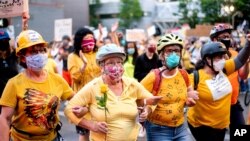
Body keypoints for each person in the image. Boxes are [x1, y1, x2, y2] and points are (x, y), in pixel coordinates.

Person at [64, 44, 162, 141]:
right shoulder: (93, 87)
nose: (116, 67)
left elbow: (153, 101)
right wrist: (92, 126)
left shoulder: (132, 84)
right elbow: (69, 110)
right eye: (111, 63)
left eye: (119, 62)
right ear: (102, 67)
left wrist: (147, 110)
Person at [0, 29, 74, 141]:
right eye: (34, 52)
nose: (39, 55)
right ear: (23, 56)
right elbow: (5, 119)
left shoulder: (57, 79)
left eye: (42, 50)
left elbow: (76, 100)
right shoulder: (14, 84)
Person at [187, 39, 250, 141]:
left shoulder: (223, 69)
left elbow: (239, 60)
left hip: (221, 125)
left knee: (241, 133)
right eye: (219, 57)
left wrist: (248, 43)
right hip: (202, 127)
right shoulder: (195, 77)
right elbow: (178, 92)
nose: (223, 60)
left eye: (223, 56)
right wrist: (187, 95)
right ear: (207, 59)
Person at [140, 34, 198, 141]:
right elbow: (137, 95)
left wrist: (190, 99)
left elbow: (189, 91)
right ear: (161, 55)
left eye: (177, 51)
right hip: (158, 130)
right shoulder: (153, 76)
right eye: (169, 51)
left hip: (181, 127)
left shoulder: (184, 74)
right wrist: (145, 109)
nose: (174, 54)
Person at [210, 24, 249, 128]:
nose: (227, 39)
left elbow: (243, 76)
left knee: (240, 133)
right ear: (214, 39)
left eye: (228, 37)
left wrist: (246, 63)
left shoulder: (235, 54)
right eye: (223, 37)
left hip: (233, 103)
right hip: (216, 106)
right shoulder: (208, 57)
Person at [67, 27, 101, 141]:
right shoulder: (73, 57)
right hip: (83, 99)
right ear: (79, 41)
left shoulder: (98, 53)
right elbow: (75, 78)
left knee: (100, 130)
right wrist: (84, 65)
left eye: (92, 39)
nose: (90, 42)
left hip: (100, 96)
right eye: (87, 40)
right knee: (84, 133)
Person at [0, 29, 19, 113]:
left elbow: (21, 46)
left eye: (5, 41)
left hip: (15, 97)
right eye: (1, 41)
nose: (3, 43)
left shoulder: (12, 57)